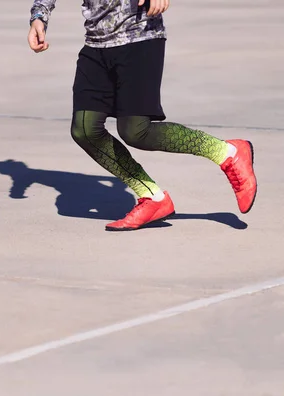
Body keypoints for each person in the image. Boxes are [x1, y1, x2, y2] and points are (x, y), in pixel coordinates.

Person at [27, 0, 257, 231]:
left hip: (140, 37)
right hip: (96, 44)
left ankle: (227, 153)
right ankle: (152, 198)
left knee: (136, 131)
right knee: (84, 130)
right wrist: (39, 17)